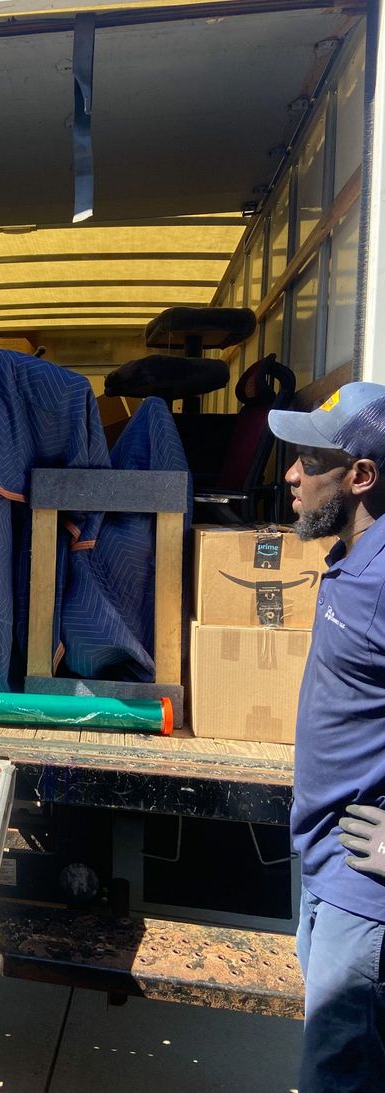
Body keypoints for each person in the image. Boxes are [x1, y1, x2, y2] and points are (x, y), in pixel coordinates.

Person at [267, 382, 385, 1093]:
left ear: (361, 476)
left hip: (362, 898)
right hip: (323, 870)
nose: (291, 473)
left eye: (311, 459)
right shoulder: (353, 559)